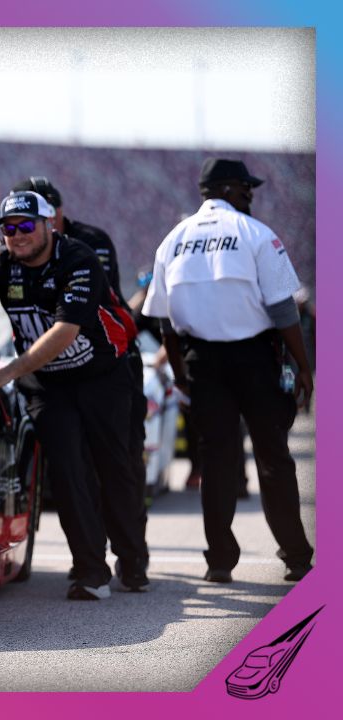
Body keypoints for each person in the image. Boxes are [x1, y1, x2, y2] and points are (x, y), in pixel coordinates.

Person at [0, 191, 148, 600]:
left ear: (50, 224)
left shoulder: (79, 259)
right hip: (47, 383)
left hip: (104, 377)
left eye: (27, 226)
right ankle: (90, 571)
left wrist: (7, 372)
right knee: (67, 469)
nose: (17, 236)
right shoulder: (2, 255)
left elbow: (65, 333)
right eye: (9, 228)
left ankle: (132, 559)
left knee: (115, 468)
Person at [143, 157, 314, 584]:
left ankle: (219, 561)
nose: (250, 195)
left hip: (202, 361)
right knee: (273, 458)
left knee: (216, 463)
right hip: (254, 358)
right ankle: (295, 557)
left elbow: (165, 322)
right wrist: (304, 367)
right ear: (229, 189)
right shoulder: (256, 234)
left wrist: (182, 373)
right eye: (246, 188)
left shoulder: (172, 241)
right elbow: (282, 310)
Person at [11, 176, 148, 509]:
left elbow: (93, 310)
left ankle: (131, 552)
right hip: (56, 372)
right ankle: (89, 556)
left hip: (109, 362)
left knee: (121, 461)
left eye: (35, 220)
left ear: (55, 213)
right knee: (71, 465)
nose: (21, 232)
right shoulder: (13, 248)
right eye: (16, 226)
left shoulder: (90, 243)